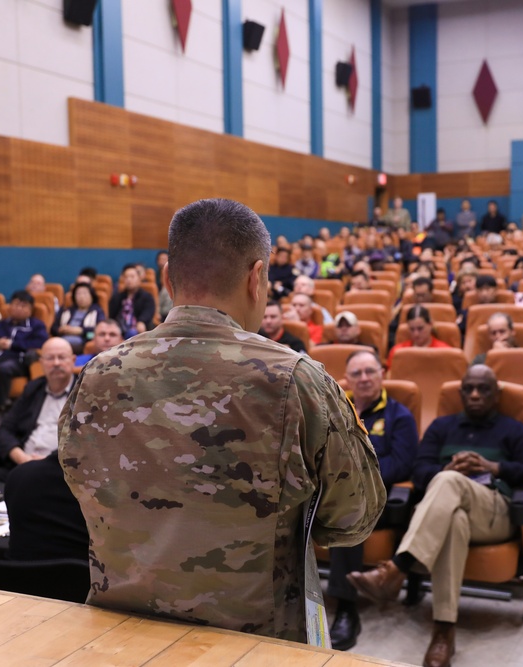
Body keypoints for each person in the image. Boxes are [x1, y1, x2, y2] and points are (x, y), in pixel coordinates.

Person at [58, 198, 386, 644]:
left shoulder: (96, 374)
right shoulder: (295, 380)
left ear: (168, 279)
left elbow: (79, 485)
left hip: (120, 638)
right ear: (257, 278)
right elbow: (355, 517)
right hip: (252, 644)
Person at [347, 366, 523, 667]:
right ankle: (444, 632)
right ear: (461, 394)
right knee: (452, 515)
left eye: (483, 389)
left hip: (493, 511)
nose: (475, 395)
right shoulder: (442, 427)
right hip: (448, 510)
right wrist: (446, 471)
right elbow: (418, 472)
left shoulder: (512, 429)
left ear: (496, 395)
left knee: (448, 483)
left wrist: (493, 467)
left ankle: (397, 569)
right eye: (469, 389)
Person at [328, 350, 418, 651]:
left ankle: (346, 609)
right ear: (347, 379)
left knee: (349, 510)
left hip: (381, 497)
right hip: (330, 488)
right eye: (357, 373)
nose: (364, 378)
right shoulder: (337, 408)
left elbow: (403, 464)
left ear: (382, 374)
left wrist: (358, 473)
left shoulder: (399, 416)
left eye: (370, 371)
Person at [0, 338, 75, 483]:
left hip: (60, 470)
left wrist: (49, 461)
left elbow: (86, 443)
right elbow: (4, 430)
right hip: (22, 463)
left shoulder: (84, 393)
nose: (56, 363)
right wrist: (21, 458)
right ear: (41, 363)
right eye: (50, 358)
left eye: (61, 357)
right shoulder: (33, 389)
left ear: (73, 360)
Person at [0, 290, 49, 411]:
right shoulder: (2, 324)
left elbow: (40, 343)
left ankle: (1, 407)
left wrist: (12, 344)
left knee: (3, 369)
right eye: (16, 304)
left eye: (23, 306)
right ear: (9, 306)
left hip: (18, 360)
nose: (19, 308)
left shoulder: (36, 325)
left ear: (30, 310)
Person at [387, 305, 452, 368]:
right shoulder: (398, 352)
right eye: (412, 329)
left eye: (420, 328)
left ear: (430, 325)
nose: (416, 334)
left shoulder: (445, 352)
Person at [52, 283, 105, 354]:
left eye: (85, 293)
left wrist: (81, 331)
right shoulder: (66, 310)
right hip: (62, 338)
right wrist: (60, 329)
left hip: (83, 340)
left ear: (92, 296)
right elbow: (53, 329)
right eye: (78, 294)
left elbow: (98, 331)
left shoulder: (97, 311)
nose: (81, 296)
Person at [109, 263, 157, 336]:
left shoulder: (146, 296)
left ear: (139, 278)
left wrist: (141, 321)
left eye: (132, 277)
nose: (129, 280)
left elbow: (148, 312)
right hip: (119, 329)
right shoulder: (117, 297)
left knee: (133, 333)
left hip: (136, 329)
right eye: (126, 277)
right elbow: (111, 315)